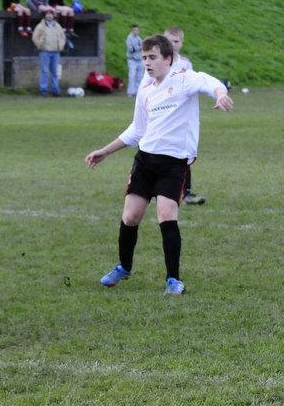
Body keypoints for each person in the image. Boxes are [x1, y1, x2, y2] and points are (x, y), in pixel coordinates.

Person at [84, 34, 233, 295]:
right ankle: (124, 267)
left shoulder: (184, 80)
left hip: (173, 164)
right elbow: (136, 130)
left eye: (152, 57)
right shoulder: (145, 92)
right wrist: (105, 151)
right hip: (145, 161)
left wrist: (221, 95)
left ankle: (173, 279)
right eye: (144, 58)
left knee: (166, 215)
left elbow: (211, 83)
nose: (147, 63)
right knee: (131, 217)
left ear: (168, 59)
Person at [162, 26, 204, 205]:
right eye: (169, 41)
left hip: (181, 116)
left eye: (176, 41)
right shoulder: (157, 62)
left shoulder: (186, 64)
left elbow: (191, 91)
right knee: (157, 154)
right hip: (162, 115)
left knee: (183, 154)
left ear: (182, 43)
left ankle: (186, 193)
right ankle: (155, 190)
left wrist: (194, 118)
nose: (172, 44)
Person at [32, 9, 66, 96]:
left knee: (55, 72)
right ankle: (44, 90)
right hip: (45, 52)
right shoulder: (40, 26)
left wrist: (61, 46)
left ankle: (56, 90)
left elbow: (63, 37)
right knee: (44, 71)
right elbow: (35, 37)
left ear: (54, 16)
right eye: (47, 14)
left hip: (56, 52)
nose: (49, 16)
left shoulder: (57, 26)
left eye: (51, 14)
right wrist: (40, 46)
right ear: (45, 16)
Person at [125, 24, 144, 97]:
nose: (136, 31)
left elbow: (142, 47)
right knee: (132, 76)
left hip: (140, 59)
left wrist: (141, 47)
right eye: (134, 30)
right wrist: (139, 47)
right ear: (132, 30)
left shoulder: (139, 38)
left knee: (139, 76)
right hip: (132, 60)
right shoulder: (129, 38)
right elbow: (131, 49)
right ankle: (130, 92)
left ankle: (138, 91)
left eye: (137, 30)